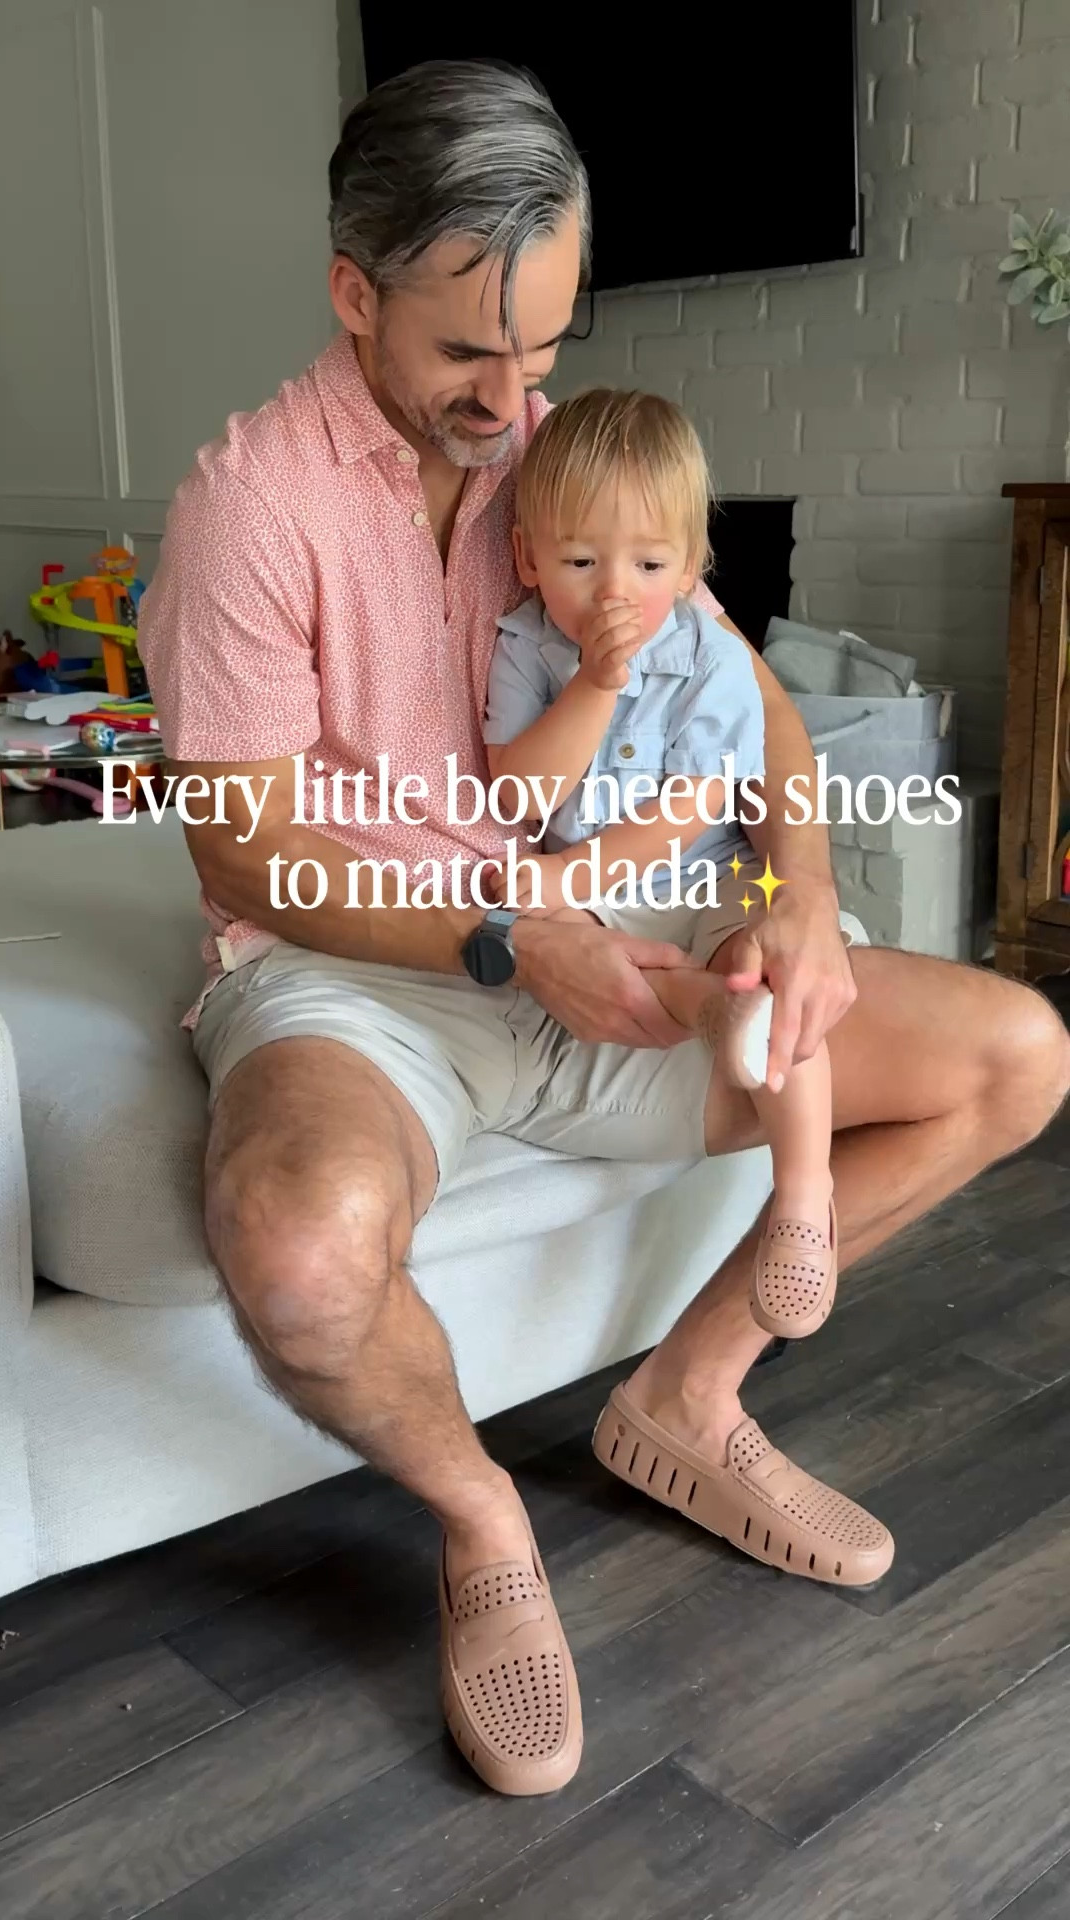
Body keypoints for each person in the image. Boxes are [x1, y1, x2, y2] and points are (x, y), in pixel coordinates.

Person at [138, 58, 1070, 1801]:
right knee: (300, 1248)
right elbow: (254, 854)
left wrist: (797, 891)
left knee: (1019, 1057)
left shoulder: (570, 460)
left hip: (616, 944)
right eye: (468, 356)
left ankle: (686, 1405)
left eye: (546, 348)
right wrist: (505, 939)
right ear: (356, 294)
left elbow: (755, 708)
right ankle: (483, 1519)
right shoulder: (247, 509)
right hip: (367, 983)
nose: (515, 402)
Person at [485, 387, 837, 1344]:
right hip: (588, 895)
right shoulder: (521, 646)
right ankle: (720, 1013)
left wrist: (573, 878)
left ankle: (803, 1200)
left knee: (767, 958)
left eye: (648, 563)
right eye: (579, 561)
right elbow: (516, 797)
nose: (615, 591)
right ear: (526, 558)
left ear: (693, 566)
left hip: (698, 872)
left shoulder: (713, 658)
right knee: (534, 926)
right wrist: (598, 685)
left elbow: (694, 808)